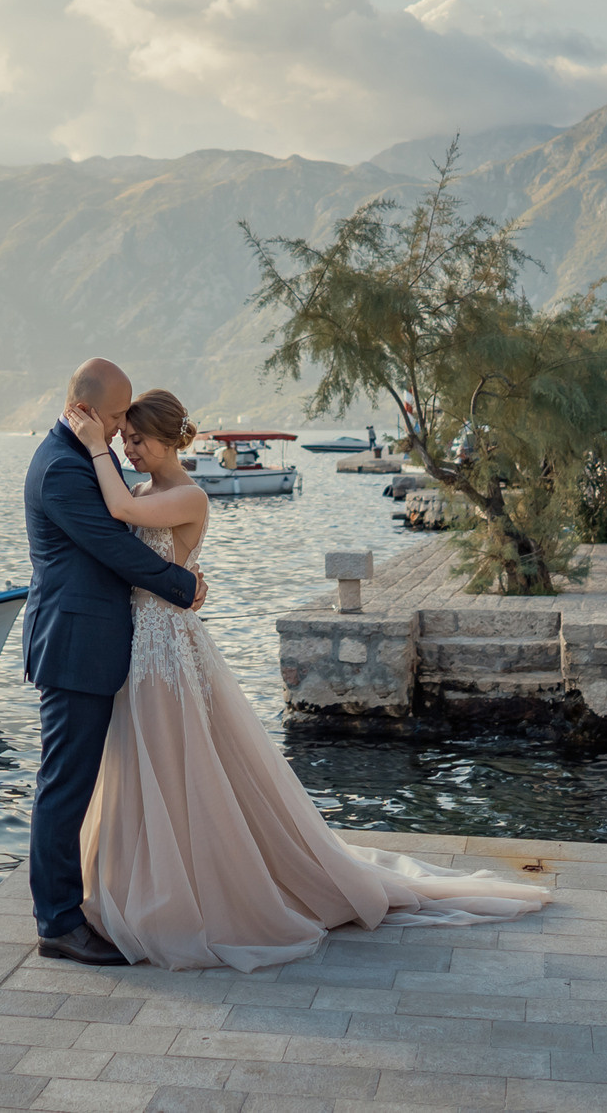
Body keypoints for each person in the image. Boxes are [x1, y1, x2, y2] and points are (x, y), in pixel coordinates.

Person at [57, 387, 551, 971]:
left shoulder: (188, 495)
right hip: (139, 643)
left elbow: (118, 513)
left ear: (168, 441)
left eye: (136, 439)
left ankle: (194, 889)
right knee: (139, 765)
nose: (127, 448)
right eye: (123, 438)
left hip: (167, 648)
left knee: (175, 762)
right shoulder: (141, 490)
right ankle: (138, 880)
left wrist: (92, 444)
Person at [21, 358, 208, 966]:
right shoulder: (63, 468)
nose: (124, 427)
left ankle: (92, 902)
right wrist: (182, 585)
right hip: (75, 646)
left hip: (96, 643)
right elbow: (111, 545)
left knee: (80, 781)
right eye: (118, 415)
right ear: (87, 411)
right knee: (65, 785)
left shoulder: (82, 457)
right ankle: (58, 923)